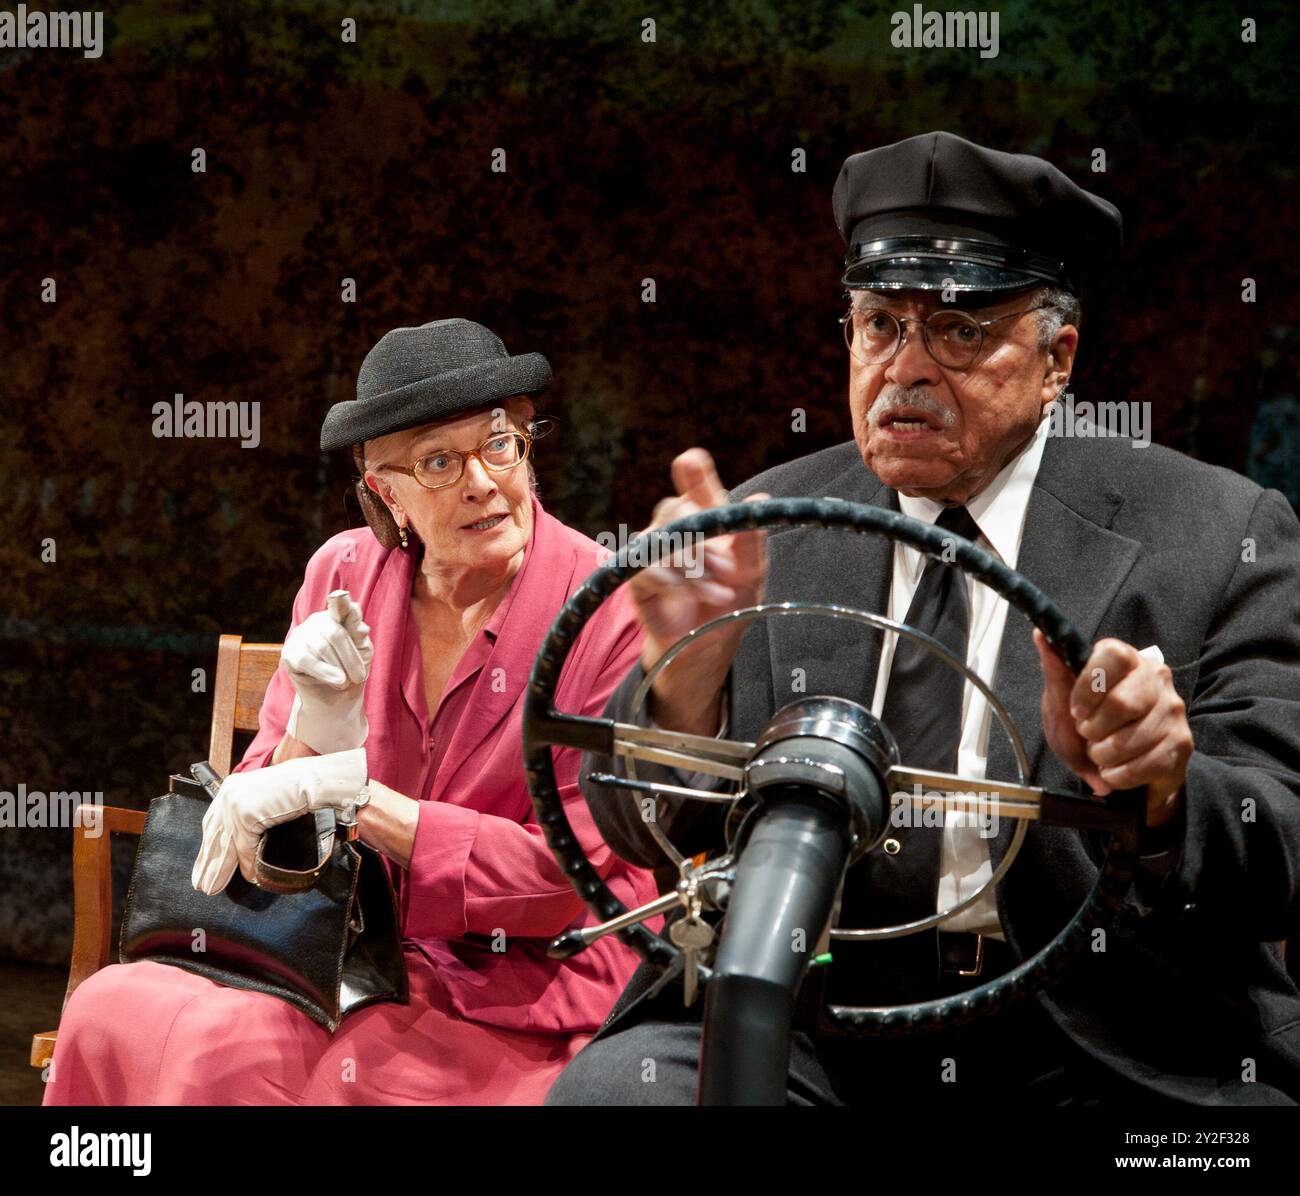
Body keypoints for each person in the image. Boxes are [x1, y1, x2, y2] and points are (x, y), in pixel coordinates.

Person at [548, 131, 1300, 1106]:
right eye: (877, 326)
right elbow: (640, 825)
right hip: (809, 1016)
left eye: (956, 332)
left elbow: (1280, 840)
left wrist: (1159, 788)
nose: (904, 370)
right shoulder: (768, 526)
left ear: (1054, 357)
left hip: (1108, 1032)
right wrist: (683, 686)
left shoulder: (1217, 532)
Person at [45, 318, 655, 1105]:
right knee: (105, 1012)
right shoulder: (343, 573)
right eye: (439, 460)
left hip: (521, 987)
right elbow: (256, 813)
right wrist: (315, 726)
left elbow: (563, 879)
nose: (481, 480)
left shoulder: (608, 611)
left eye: (499, 444)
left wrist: (356, 798)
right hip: (336, 952)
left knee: (229, 1054)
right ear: (384, 491)